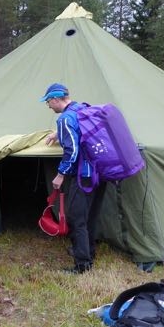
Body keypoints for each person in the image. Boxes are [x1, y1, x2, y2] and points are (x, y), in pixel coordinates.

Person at [41, 83, 105, 273]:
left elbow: (72, 150)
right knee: (89, 216)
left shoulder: (65, 119)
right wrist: (57, 134)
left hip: (83, 175)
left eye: (48, 102)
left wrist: (61, 174)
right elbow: (81, 132)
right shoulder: (83, 108)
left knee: (76, 219)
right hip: (99, 171)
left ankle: (82, 265)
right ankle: (87, 251)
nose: (49, 106)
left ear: (55, 99)